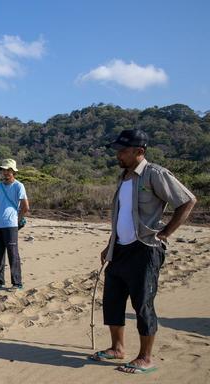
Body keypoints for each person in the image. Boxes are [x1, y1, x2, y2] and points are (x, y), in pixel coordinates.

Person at [90, 129, 196, 374]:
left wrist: (165, 233)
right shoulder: (124, 178)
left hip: (145, 248)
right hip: (120, 248)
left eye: (123, 151)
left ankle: (145, 357)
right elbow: (122, 216)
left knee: (143, 304)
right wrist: (110, 245)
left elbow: (187, 200)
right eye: (118, 150)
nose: (119, 155)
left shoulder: (154, 174)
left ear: (140, 151)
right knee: (112, 300)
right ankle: (117, 348)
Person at [0, 159, 29, 291]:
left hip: (11, 225)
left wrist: (18, 220)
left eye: (8, 170)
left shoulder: (19, 186)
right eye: (4, 170)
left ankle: (17, 283)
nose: (5, 172)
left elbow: (25, 207)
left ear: (13, 171)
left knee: (13, 254)